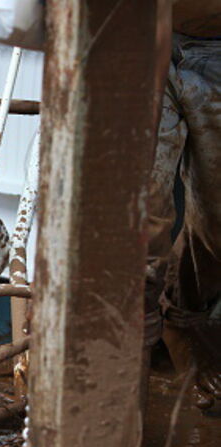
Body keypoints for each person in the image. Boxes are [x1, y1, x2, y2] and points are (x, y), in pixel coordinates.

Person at [146, 1, 221, 417]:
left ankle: (182, 318)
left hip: (215, 45)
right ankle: (118, 384)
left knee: (217, 225)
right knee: (135, 222)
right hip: (135, 37)